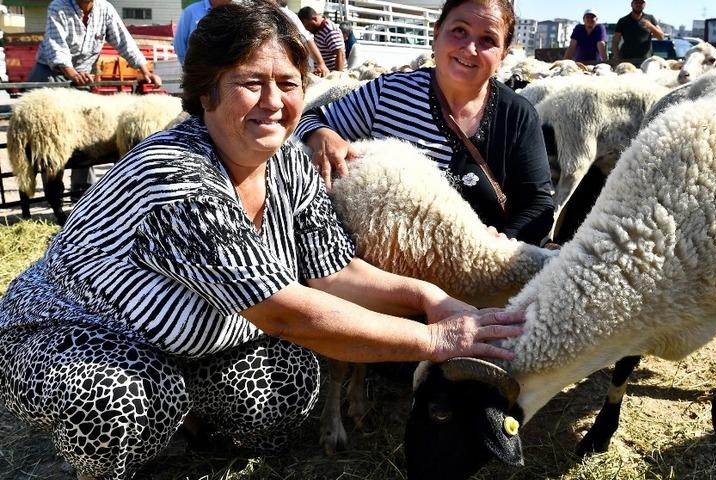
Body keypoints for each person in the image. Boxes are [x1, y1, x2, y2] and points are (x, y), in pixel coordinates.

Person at [0, 2, 523, 479]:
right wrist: (434, 341)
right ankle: (100, 463)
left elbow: (332, 272)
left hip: (198, 337)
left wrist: (428, 298)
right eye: (252, 81)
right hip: (72, 332)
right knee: (126, 403)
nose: (274, 102)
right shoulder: (176, 178)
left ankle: (188, 415)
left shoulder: (291, 162)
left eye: (289, 83)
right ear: (207, 90)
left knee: (291, 386)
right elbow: (284, 314)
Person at [296, 0, 555, 246]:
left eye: (488, 40)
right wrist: (323, 135)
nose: (470, 48)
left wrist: (498, 247)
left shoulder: (517, 115)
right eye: (459, 31)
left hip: (477, 279)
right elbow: (311, 118)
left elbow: (537, 205)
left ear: (504, 54)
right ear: (437, 33)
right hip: (381, 271)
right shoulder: (389, 93)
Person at [28, 0, 162, 194]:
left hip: (81, 78)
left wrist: (144, 70)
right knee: (51, 135)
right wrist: (72, 74)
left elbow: (123, 40)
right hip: (52, 75)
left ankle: (82, 192)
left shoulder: (104, 9)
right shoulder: (58, 7)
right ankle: (52, 192)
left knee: (87, 132)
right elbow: (56, 46)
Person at [173, 0, 231, 64]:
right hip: (196, 69)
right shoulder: (191, 12)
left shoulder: (232, 13)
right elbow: (179, 43)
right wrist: (188, 67)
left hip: (223, 69)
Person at [611, 0, 665, 66]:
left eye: (641, 2)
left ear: (644, 5)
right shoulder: (623, 21)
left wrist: (650, 26)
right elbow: (615, 41)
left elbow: (661, 37)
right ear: (631, 4)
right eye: (636, 2)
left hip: (645, 61)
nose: (638, 4)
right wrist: (617, 57)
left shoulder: (650, 18)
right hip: (626, 60)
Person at [298, 6, 346, 72]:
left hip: (332, 76)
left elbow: (340, 53)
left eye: (308, 26)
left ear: (314, 19)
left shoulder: (329, 30)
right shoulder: (318, 30)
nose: (307, 29)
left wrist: (336, 76)